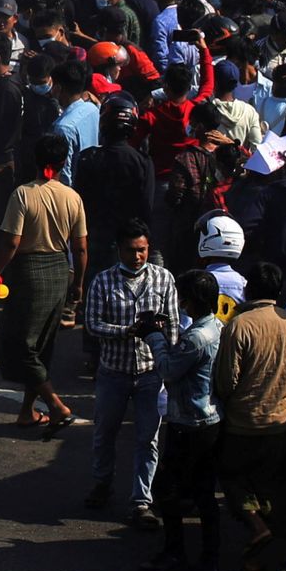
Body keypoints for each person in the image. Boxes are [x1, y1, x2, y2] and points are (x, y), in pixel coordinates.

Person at [0, 132, 87, 426]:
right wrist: (77, 284)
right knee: (41, 345)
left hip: (30, 270)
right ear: (64, 161)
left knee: (17, 342)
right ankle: (27, 411)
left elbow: (12, 242)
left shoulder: (24, 194)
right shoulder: (72, 196)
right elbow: (80, 248)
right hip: (58, 271)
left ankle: (55, 404)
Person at [84, 218, 178, 527]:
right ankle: (102, 484)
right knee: (104, 434)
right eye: (130, 251)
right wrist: (127, 331)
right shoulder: (102, 281)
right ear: (118, 250)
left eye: (142, 250)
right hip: (113, 372)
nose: (137, 257)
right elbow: (93, 324)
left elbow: (174, 328)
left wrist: (170, 360)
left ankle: (141, 501)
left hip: (151, 374)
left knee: (147, 440)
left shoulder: (164, 280)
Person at [215, 261, 286, 571]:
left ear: (250, 289)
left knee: (234, 479)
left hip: (243, 421)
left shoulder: (240, 325)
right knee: (271, 488)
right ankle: (266, 552)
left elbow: (227, 380)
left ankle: (255, 527)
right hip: (279, 420)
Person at [142, 268, 224, 571]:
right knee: (204, 493)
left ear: (191, 301)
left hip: (190, 423)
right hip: (209, 420)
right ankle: (209, 557)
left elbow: (167, 370)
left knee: (168, 490)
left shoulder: (196, 338)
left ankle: (175, 552)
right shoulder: (217, 327)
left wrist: (154, 337)